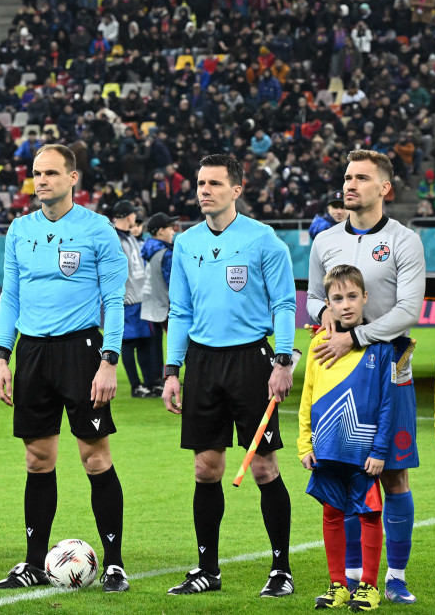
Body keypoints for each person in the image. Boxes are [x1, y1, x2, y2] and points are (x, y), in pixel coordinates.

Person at [0, 143, 130, 593]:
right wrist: (2, 356)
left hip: (82, 351)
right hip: (32, 352)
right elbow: (10, 297)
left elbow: (114, 300)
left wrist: (109, 360)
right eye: (37, 173)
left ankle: (114, 563)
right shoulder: (19, 229)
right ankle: (34, 561)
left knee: (94, 458)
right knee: (37, 460)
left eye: (51, 172)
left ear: (73, 178)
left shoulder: (98, 230)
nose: (42, 180)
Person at [162, 153, 297, 598]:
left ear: (237, 190)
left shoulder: (263, 240)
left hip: (251, 363)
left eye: (215, 184)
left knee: (262, 466)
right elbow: (179, 310)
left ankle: (281, 569)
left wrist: (281, 361)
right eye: (201, 183)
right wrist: (172, 370)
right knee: (206, 468)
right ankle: (207, 569)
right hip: (202, 362)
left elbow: (284, 304)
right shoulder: (186, 243)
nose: (205, 190)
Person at [307, 149, 426, 604]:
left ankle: (394, 576)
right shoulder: (325, 242)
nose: (350, 185)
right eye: (347, 177)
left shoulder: (404, 240)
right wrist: (329, 319)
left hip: (390, 365)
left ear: (385, 188)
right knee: (345, 470)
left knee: (393, 475)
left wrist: (355, 336)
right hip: (339, 367)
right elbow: (314, 300)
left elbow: (408, 311)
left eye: (361, 178)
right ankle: (354, 577)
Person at [299, 265, 395, 611]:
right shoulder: (317, 344)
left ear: (365, 297)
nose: (346, 304)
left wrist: (380, 449)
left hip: (364, 453)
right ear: (328, 304)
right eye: (338, 298)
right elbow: (307, 398)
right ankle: (338, 584)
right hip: (326, 450)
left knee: (369, 515)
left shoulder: (379, 347)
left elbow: (388, 403)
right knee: (331, 515)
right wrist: (305, 444)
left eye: (352, 296)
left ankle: (369, 586)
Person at [112, 200, 152, 397]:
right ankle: (136, 386)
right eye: (133, 214)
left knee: (144, 342)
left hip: (140, 299)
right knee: (128, 343)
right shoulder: (114, 239)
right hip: (126, 301)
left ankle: (148, 383)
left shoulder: (130, 237)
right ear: (129, 216)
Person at [140, 212, 179, 397]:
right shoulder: (167, 253)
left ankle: (156, 381)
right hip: (167, 306)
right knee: (180, 345)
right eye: (170, 228)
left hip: (150, 304)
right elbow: (174, 284)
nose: (173, 231)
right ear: (161, 231)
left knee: (153, 347)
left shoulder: (148, 250)